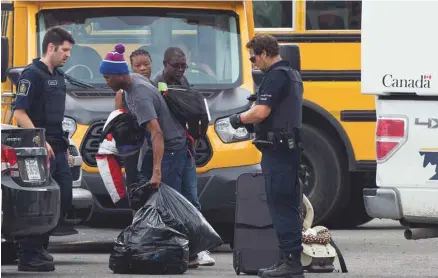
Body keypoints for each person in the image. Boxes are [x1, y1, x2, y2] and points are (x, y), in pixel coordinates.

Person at [99, 43, 205, 269]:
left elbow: (156, 133)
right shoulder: (136, 83)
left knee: (171, 204)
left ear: (119, 75)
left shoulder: (139, 94)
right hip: (176, 146)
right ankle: (190, 252)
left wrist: (156, 171)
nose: (106, 82)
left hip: (171, 150)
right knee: (181, 201)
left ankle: (183, 253)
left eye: (108, 77)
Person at [228, 34, 305, 278]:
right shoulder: (291, 74)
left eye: (253, 57)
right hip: (287, 150)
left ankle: (290, 264)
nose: (253, 63)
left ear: (263, 52)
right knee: (287, 204)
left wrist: (237, 119)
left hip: (278, 151)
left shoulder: (275, 75)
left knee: (280, 205)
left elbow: (260, 112)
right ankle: (287, 260)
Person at [12, 26, 77, 272]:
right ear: (51, 47)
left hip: (57, 145)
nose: (68, 55)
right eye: (65, 50)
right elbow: (19, 113)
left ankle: (40, 247)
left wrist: (65, 147)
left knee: (64, 196)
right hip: (38, 147)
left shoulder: (58, 76)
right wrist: (40, 141)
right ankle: (30, 253)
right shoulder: (32, 75)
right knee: (40, 200)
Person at [152, 46, 216, 267]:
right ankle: (181, 249)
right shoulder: (158, 84)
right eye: (175, 66)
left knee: (191, 198)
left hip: (186, 148)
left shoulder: (183, 82)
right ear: (165, 63)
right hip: (170, 150)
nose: (180, 69)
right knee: (175, 202)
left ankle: (198, 247)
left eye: (183, 65)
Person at [114, 48, 153, 215]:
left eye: (146, 64)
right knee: (133, 182)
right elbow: (118, 118)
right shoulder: (122, 92)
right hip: (132, 145)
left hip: (152, 143)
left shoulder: (157, 86)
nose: (142, 68)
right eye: (137, 65)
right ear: (131, 67)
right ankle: (136, 219)